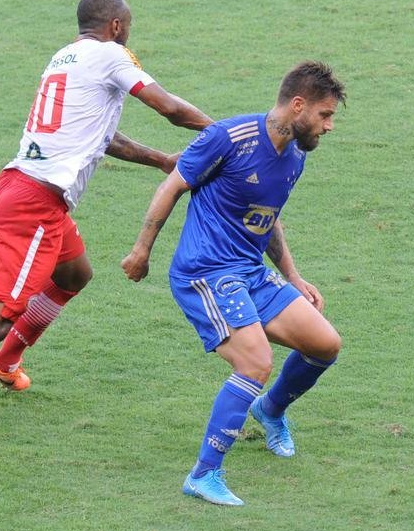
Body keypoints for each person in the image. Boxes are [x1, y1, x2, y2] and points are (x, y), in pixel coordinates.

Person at [0, 0, 214, 465]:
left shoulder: (65, 58)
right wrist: (224, 134)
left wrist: (159, 161)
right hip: (34, 204)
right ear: (116, 26)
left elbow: (102, 136)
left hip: (24, 192)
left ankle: (5, 365)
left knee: (74, 274)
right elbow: (170, 108)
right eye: (128, 24)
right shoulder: (112, 54)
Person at [121, 61, 345, 506]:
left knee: (325, 344)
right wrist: (141, 250)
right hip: (205, 272)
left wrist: (293, 276)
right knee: (255, 363)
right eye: (324, 115)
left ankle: (270, 411)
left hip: (249, 272)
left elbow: (268, 218)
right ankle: (204, 475)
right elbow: (171, 187)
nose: (329, 126)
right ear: (298, 106)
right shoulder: (229, 137)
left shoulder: (295, 156)